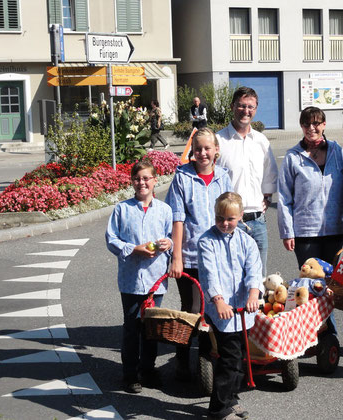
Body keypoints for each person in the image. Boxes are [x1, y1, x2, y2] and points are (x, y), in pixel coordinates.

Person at [165, 127, 233, 378]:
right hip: (191, 255)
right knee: (192, 308)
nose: (203, 153)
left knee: (214, 308)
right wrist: (177, 257)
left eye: (207, 148)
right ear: (192, 152)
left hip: (217, 256)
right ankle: (182, 359)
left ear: (216, 150)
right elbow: (178, 219)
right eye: (198, 149)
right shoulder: (182, 176)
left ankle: (207, 359)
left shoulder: (224, 176)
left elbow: (229, 215)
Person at [105, 160, 173, 393]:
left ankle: (149, 368)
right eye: (137, 178)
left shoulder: (164, 210)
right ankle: (130, 373)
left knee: (152, 327)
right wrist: (133, 249)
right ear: (132, 181)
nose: (142, 182)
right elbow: (111, 240)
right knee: (132, 326)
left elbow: (172, 238)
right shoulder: (122, 210)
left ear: (155, 180)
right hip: (131, 279)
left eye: (146, 178)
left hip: (156, 279)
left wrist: (168, 243)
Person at [197, 192, 263, 420]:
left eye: (230, 219)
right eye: (220, 218)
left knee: (242, 356)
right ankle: (217, 409)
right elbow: (208, 273)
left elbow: (254, 270)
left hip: (244, 310)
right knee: (230, 359)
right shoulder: (207, 241)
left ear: (240, 217)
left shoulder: (247, 241)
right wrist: (218, 299)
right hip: (222, 311)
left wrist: (254, 293)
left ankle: (232, 398)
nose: (224, 223)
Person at [216, 86, 278, 275]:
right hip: (229, 223)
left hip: (257, 221)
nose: (246, 111)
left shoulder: (260, 141)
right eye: (241, 106)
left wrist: (267, 198)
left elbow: (270, 172)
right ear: (233, 107)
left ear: (256, 109)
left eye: (250, 107)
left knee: (258, 278)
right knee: (230, 276)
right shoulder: (219, 141)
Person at [277, 106, 343, 268]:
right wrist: (287, 233)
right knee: (310, 283)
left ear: (324, 124)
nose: (311, 128)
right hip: (305, 232)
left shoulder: (336, 151)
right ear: (301, 126)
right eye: (306, 124)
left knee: (332, 284)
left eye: (316, 123)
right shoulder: (292, 157)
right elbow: (284, 198)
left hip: (335, 229)